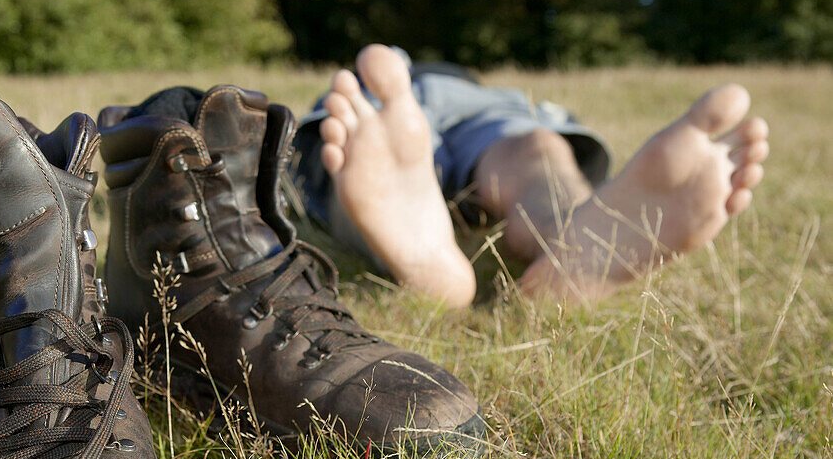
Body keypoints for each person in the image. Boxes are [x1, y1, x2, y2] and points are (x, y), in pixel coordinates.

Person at [289, 44, 770, 306]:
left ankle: (565, 238)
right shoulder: (467, 89)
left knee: (359, 154)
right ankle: (556, 224)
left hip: (394, 106)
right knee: (531, 148)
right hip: (457, 112)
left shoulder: (390, 85)